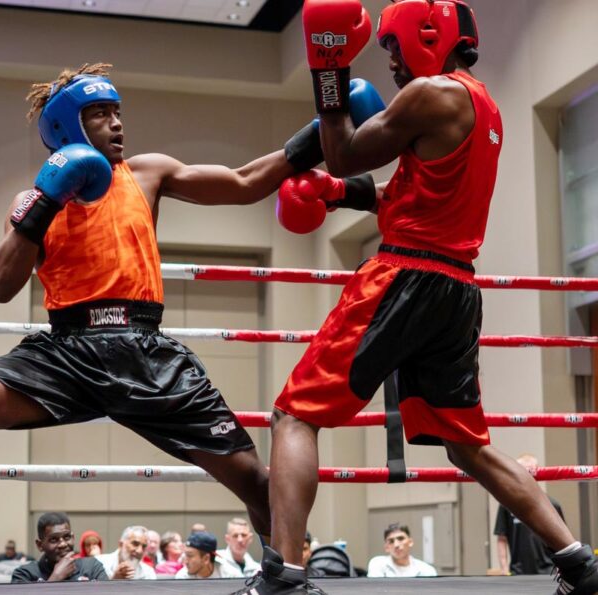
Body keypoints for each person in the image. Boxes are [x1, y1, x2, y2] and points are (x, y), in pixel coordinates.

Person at [0, 57, 369, 595]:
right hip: (65, 352)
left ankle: (285, 580)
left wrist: (329, 116)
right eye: (100, 114)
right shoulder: (32, 201)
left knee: (256, 484)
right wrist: (44, 204)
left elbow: (245, 181)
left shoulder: (147, 172)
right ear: (68, 127)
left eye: (118, 112)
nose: (117, 124)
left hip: (146, 352)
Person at [233, 1, 598, 594]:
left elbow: (346, 149)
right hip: (456, 288)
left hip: (403, 277)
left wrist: (329, 72)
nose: (393, 66)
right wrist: (333, 192)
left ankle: (285, 577)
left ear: (429, 37)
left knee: (294, 416)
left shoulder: (432, 92)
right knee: (467, 446)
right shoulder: (485, 106)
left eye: (395, 51)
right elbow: (400, 193)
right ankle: (580, 561)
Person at [495, 455, 566, 575]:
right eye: (524, 471)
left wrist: (562, 567)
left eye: (531, 471)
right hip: (518, 572)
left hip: (548, 572)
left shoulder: (552, 505)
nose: (528, 476)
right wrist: (503, 568)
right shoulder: (507, 505)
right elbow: (502, 538)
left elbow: (562, 540)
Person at [10, 513, 106, 583]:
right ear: (40, 545)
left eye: (67, 537)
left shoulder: (92, 568)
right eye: (53, 539)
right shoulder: (24, 574)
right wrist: (55, 578)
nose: (63, 544)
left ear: (73, 538)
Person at [367, 524, 436, 578]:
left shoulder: (427, 570)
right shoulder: (378, 564)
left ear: (410, 542)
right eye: (391, 541)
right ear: (386, 547)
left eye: (400, 539)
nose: (396, 545)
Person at [175, 532, 242, 579]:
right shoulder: (182, 578)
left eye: (190, 555)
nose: (185, 561)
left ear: (206, 559)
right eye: (185, 555)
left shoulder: (231, 577)